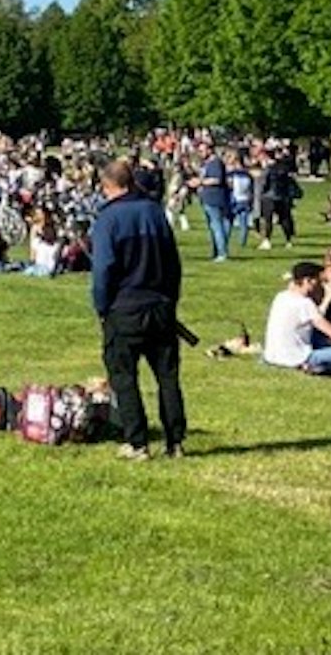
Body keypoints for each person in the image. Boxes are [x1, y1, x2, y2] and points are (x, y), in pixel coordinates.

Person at [91, 157, 187, 460]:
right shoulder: (155, 212)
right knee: (167, 377)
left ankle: (137, 441)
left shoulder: (109, 219)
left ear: (107, 186)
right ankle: (175, 440)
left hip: (125, 307)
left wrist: (102, 306)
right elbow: (173, 262)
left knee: (124, 376)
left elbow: (104, 268)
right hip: (160, 304)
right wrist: (170, 299)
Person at [196, 146, 231, 260]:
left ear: (209, 150)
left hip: (215, 198)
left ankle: (222, 253)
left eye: (202, 150)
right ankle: (217, 252)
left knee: (217, 226)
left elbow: (217, 179)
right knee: (213, 227)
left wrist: (200, 182)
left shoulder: (216, 163)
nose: (200, 153)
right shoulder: (207, 163)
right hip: (208, 198)